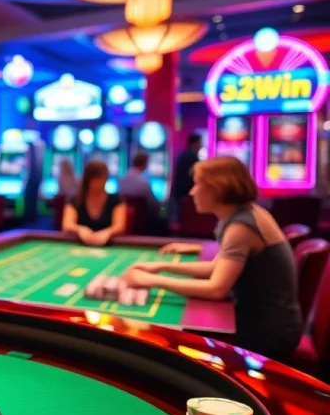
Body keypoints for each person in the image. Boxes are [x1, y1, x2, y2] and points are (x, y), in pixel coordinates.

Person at [122, 157, 302, 359]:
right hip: (262, 319)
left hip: (267, 332)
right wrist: (160, 267)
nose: (192, 192)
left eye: (198, 184)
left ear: (218, 188)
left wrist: (152, 281)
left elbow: (216, 288)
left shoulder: (241, 227)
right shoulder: (241, 215)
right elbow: (214, 268)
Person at [62, 160, 126, 246]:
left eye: (103, 179)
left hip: (108, 245)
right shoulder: (75, 200)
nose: (100, 183)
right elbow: (67, 225)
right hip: (80, 245)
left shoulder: (116, 200)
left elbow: (119, 226)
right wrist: (80, 229)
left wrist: (108, 232)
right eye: (96, 179)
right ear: (87, 180)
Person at [170, 133, 202, 219]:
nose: (200, 146)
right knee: (188, 220)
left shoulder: (182, 155)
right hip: (186, 196)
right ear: (194, 143)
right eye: (200, 143)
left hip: (179, 194)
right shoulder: (192, 158)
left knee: (182, 220)